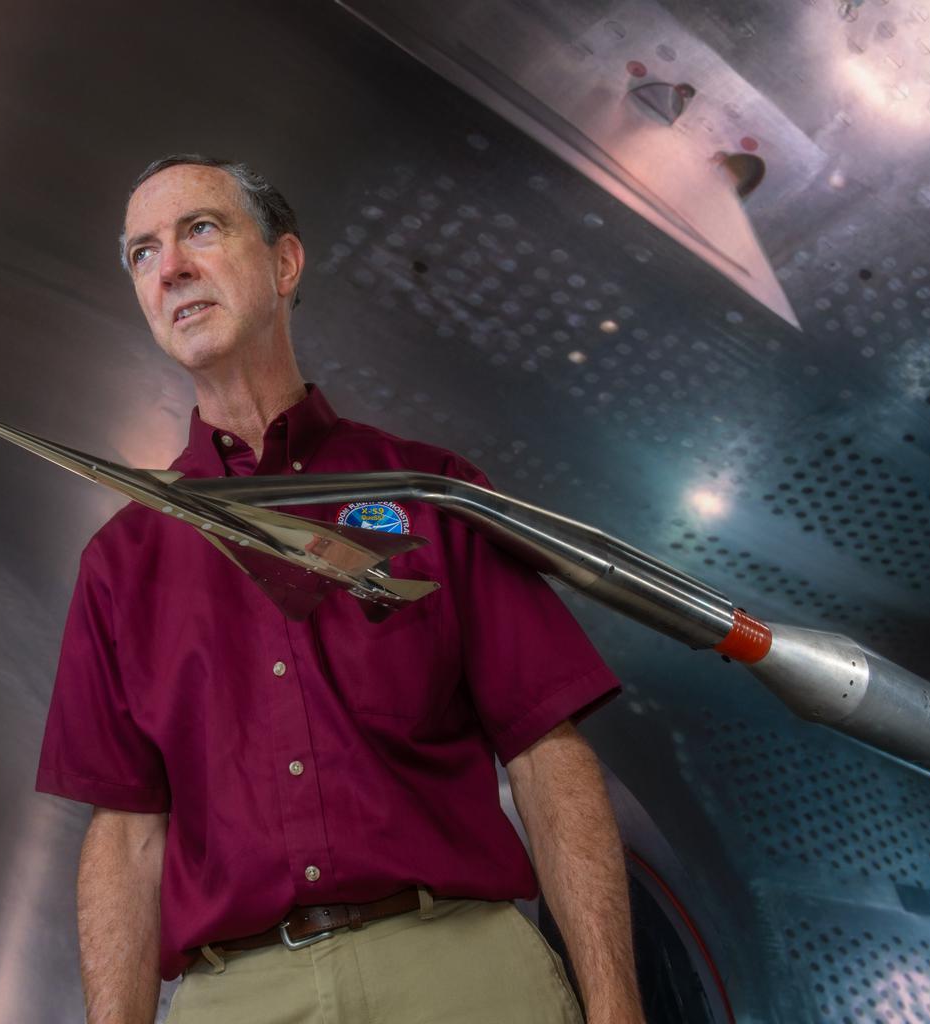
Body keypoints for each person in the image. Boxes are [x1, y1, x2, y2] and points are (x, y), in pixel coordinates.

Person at [36, 154, 644, 1024]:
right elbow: (127, 834)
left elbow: (547, 755)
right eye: (141, 252)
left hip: (461, 972)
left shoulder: (431, 492)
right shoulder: (122, 561)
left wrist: (617, 1008)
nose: (169, 267)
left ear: (284, 263)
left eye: (200, 229)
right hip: (236, 994)